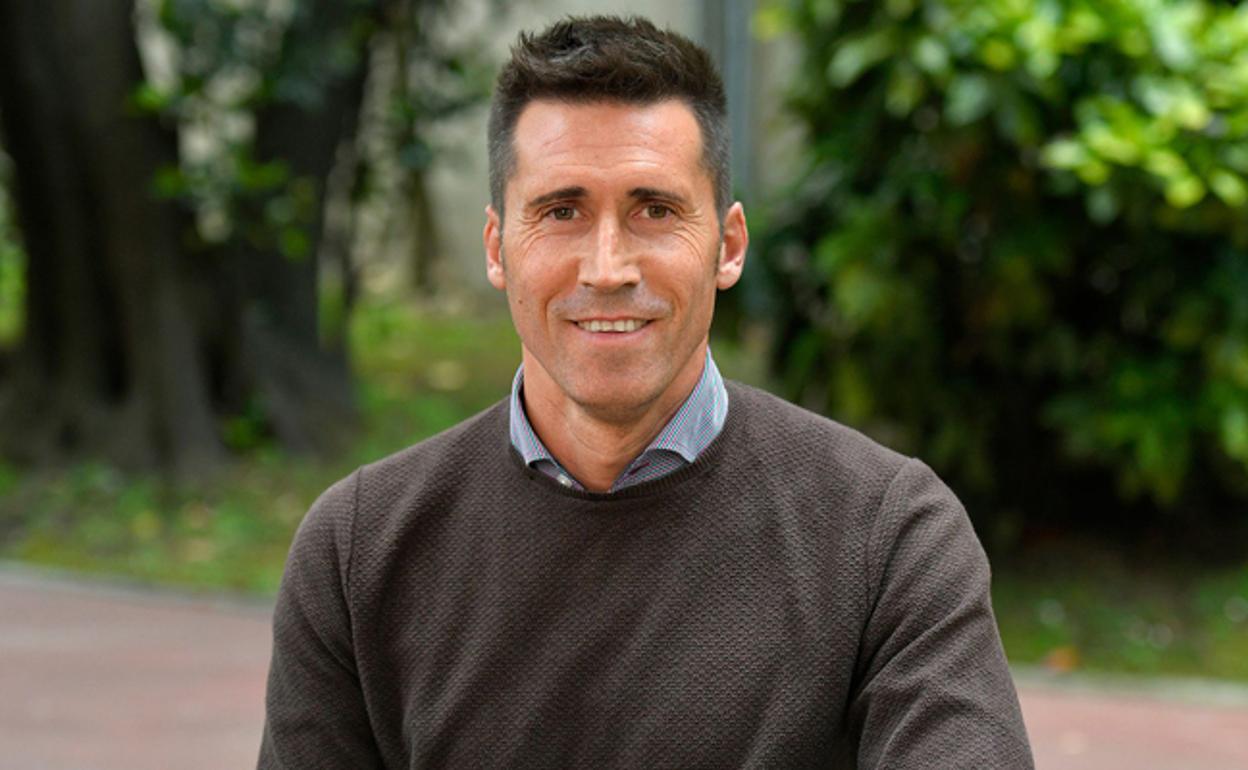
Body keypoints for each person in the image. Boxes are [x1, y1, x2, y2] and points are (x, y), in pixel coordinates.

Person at [258, 15, 1034, 769]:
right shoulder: (361, 552)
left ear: (728, 246)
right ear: (498, 248)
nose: (608, 268)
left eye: (654, 210)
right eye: (562, 211)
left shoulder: (887, 537)